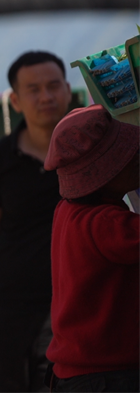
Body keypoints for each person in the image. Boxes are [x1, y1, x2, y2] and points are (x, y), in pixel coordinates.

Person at [0, 51, 72, 392]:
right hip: (8, 312)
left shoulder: (90, 154)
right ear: (15, 100)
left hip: (73, 308)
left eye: (53, 86)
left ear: (68, 91)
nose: (45, 96)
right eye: (33, 89)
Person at [42, 104, 140, 392]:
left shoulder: (66, 210)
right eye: (130, 157)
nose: (138, 159)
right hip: (107, 379)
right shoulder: (107, 225)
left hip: (74, 375)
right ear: (104, 175)